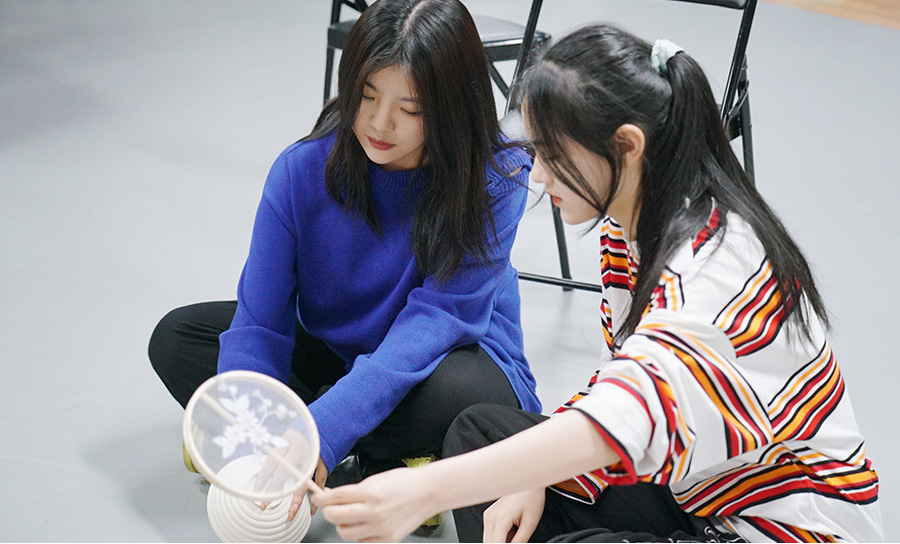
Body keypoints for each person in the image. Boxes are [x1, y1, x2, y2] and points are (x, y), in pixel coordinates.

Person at [314, 23, 883, 542]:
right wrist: (534, 474)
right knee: (483, 437)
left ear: (626, 147)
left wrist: (422, 490)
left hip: (771, 527)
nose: (537, 175)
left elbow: (623, 418)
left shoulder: (718, 270)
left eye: (552, 155)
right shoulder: (630, 226)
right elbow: (620, 378)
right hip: (693, 490)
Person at [148, 0, 541, 527]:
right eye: (367, 95)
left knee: (465, 399)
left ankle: (328, 446)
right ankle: (377, 460)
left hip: (446, 359)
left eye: (411, 109)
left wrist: (321, 429)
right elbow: (260, 321)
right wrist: (244, 421)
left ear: (452, 106)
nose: (379, 123)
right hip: (336, 352)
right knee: (178, 338)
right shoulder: (302, 170)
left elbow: (438, 321)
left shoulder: (495, 177)